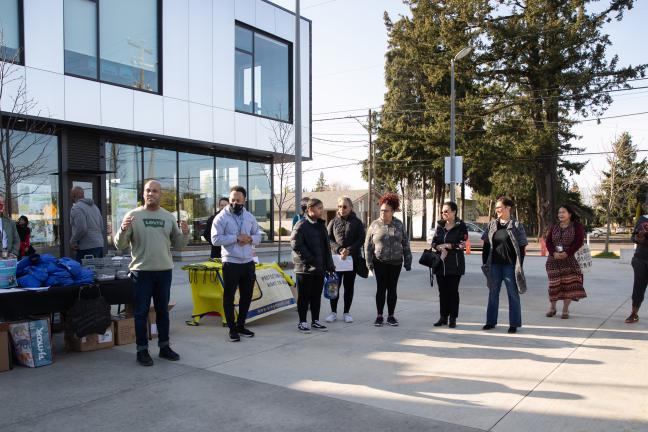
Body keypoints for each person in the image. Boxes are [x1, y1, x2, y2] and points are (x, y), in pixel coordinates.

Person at [115, 180, 189, 366]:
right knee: (140, 313)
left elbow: (179, 244)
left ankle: (164, 347)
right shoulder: (133, 215)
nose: (151, 193)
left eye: (155, 191)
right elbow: (120, 245)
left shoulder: (168, 217)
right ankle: (142, 351)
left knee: (162, 311)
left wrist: (185, 234)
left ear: (160, 194)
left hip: (164, 272)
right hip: (141, 273)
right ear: (143, 194)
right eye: (148, 190)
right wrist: (123, 229)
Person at [212, 186, 261, 342]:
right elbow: (215, 239)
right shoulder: (221, 217)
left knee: (246, 296)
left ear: (244, 200)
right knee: (229, 297)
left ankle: (241, 325)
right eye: (232, 200)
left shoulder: (250, 217)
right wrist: (236, 238)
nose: (235, 202)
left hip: (248, 262)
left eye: (238, 200)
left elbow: (258, 236)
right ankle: (232, 329)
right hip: (231, 262)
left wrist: (250, 239)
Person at [482, 196, 528, 334]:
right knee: (493, 293)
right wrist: (485, 263)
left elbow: (522, 247)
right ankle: (490, 322)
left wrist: (519, 266)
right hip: (494, 265)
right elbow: (486, 245)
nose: (497, 210)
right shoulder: (491, 225)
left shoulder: (516, 225)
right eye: (496, 208)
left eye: (499, 208)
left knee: (512, 294)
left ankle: (514, 324)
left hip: (510, 266)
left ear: (508, 208)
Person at [365, 193, 412, 327]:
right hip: (380, 262)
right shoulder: (374, 225)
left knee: (392, 289)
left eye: (386, 210)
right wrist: (368, 262)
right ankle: (379, 315)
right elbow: (367, 245)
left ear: (392, 211)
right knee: (381, 288)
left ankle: (391, 316)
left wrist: (408, 261)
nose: (383, 212)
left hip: (396, 262)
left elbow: (405, 243)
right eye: (381, 210)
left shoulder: (399, 224)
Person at [291, 198, 335, 333]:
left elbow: (326, 248)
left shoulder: (321, 225)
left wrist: (329, 265)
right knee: (304, 297)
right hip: (305, 269)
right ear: (310, 209)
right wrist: (311, 260)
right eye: (319, 208)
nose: (321, 211)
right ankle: (302, 322)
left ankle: (315, 320)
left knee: (316, 296)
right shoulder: (301, 225)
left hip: (319, 269)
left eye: (322, 208)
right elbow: (296, 245)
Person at [325, 196, 365, 323]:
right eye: (340, 206)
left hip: (351, 260)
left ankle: (347, 312)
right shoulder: (332, 222)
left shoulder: (357, 222)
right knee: (333, 286)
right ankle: (333, 312)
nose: (342, 209)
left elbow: (361, 239)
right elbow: (328, 239)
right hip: (336, 261)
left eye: (345, 206)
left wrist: (349, 250)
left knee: (349, 287)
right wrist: (339, 249)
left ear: (351, 207)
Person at [429, 201, 468, 328]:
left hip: (455, 265)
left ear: (454, 212)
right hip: (440, 264)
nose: (443, 213)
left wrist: (448, 246)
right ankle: (443, 317)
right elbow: (433, 242)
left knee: (453, 292)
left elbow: (462, 244)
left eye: (446, 211)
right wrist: (439, 247)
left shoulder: (461, 226)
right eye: (442, 211)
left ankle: (453, 318)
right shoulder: (439, 226)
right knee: (442, 292)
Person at [544, 204, 587, 319]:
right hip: (554, 260)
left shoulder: (576, 226)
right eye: (559, 213)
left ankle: (565, 309)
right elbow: (548, 242)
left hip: (570, 260)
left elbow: (578, 242)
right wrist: (554, 253)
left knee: (569, 285)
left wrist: (567, 253)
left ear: (570, 214)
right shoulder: (554, 227)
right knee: (554, 285)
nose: (560, 214)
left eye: (563, 212)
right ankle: (552, 308)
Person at [69, 186, 104, 262]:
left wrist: (72, 241)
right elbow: (101, 227)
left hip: (87, 247)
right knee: (98, 272)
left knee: (85, 272)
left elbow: (82, 229)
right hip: (99, 245)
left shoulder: (77, 208)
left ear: (73, 196)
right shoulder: (95, 207)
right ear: (83, 194)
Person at [627, 209, 648, 323]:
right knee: (638, 289)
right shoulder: (642, 219)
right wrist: (639, 238)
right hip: (640, 259)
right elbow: (633, 238)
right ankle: (634, 314)